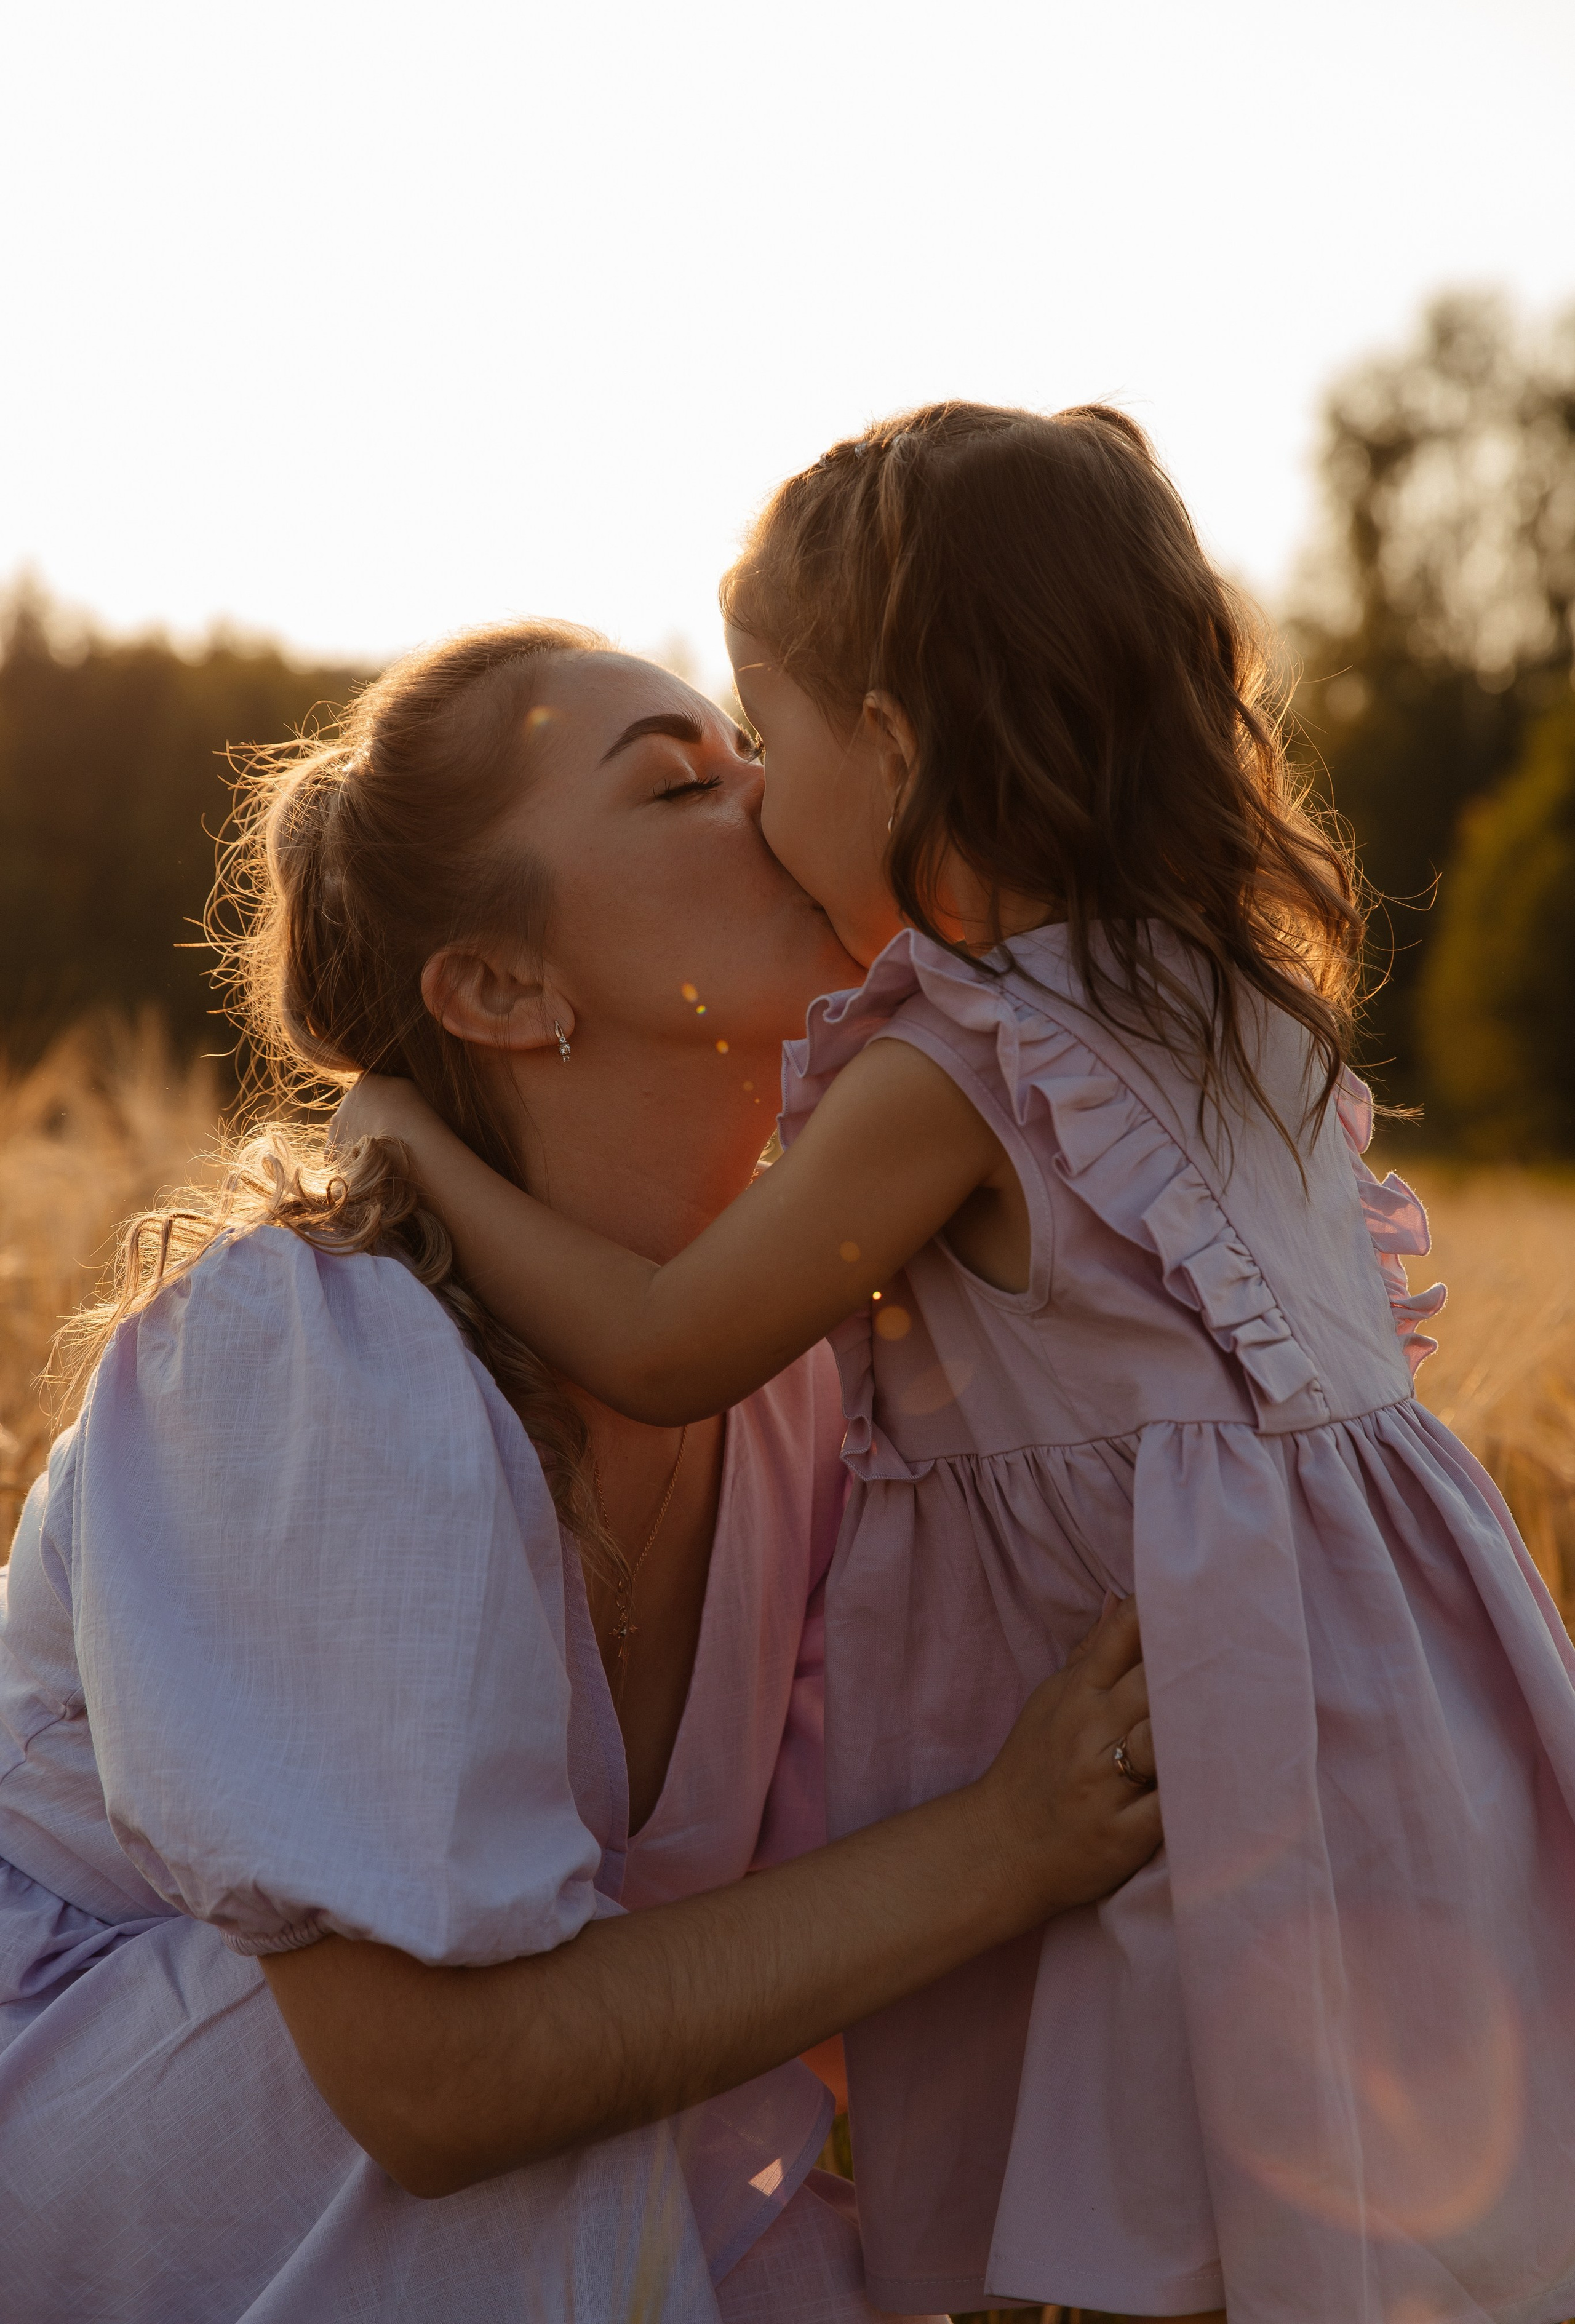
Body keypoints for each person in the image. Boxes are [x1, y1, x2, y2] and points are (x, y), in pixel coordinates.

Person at [338, 410, 1575, 2324]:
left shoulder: (957, 1068)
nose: (753, 798)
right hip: (1383, 1722)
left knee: (1099, 2245)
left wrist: (422, 1158)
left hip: (1186, 1759)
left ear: (897, 749)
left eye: (768, 732)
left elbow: (670, 1348)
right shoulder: (1218, 1005)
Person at [0, 619, 1163, 2324]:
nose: (773, 795)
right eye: (685, 781)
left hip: (551, 2155)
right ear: (502, 987)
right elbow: (434, 2089)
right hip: (127, 2132)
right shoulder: (310, 1344)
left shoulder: (798, 1392)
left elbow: (825, 1974)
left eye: (746, 749)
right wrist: (1010, 1845)